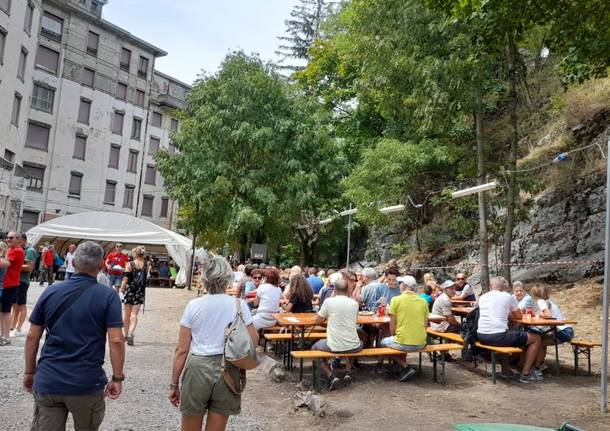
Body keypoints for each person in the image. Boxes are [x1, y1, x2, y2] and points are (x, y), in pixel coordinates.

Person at [24, 241, 125, 430]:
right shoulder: (108, 296)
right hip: (86, 383)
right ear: (102, 265)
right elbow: (116, 340)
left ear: (74, 263)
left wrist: (30, 372)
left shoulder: (51, 291)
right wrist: (117, 378)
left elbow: (32, 336)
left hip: (49, 379)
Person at [168, 256, 258, 431]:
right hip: (228, 368)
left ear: (204, 278)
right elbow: (253, 341)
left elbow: (181, 349)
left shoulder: (194, 306)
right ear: (227, 278)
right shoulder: (239, 306)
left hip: (198, 367)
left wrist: (174, 383)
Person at [477, 276, 543, 383]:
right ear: (504, 287)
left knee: (507, 335)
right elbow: (518, 316)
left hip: (481, 335)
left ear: (490, 286)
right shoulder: (507, 296)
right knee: (536, 338)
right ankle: (526, 373)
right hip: (497, 336)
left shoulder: (483, 297)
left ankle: (507, 369)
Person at [312, 279, 362, 390]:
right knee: (358, 340)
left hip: (334, 345)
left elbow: (318, 320)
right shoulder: (354, 304)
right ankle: (348, 372)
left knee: (314, 349)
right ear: (348, 290)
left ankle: (331, 376)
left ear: (334, 290)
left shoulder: (329, 302)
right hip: (353, 345)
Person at [380, 276, 429, 382]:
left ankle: (404, 366)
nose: (399, 285)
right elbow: (425, 325)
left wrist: (393, 335)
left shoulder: (396, 300)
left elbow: (392, 325)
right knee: (400, 341)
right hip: (421, 342)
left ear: (405, 286)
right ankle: (401, 368)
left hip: (403, 342)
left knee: (382, 342)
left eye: (400, 283)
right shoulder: (423, 302)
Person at [530, 284, 574, 372]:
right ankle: (540, 363)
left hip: (563, 332)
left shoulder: (541, 301)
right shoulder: (550, 301)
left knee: (539, 342)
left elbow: (548, 315)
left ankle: (537, 367)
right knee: (540, 338)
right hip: (567, 330)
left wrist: (537, 314)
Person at [119, 246, 148, 346]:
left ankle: (125, 335)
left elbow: (125, 278)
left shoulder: (129, 264)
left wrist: (121, 288)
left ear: (134, 254)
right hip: (140, 292)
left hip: (130, 290)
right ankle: (131, 331)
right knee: (134, 314)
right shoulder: (146, 265)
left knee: (126, 315)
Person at [10, 233, 36, 337]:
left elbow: (30, 267)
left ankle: (18, 328)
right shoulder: (20, 250)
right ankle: (12, 327)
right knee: (15, 305)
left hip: (23, 281)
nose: (15, 241)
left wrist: (14, 265)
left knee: (21, 305)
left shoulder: (30, 251)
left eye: (17, 239)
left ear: (23, 240)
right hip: (16, 280)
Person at [0, 241, 11, 345]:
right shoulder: (4, 260)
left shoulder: (3, 261)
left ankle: (5, 335)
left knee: (4, 312)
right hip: (2, 287)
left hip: (1, 287)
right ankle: (2, 334)